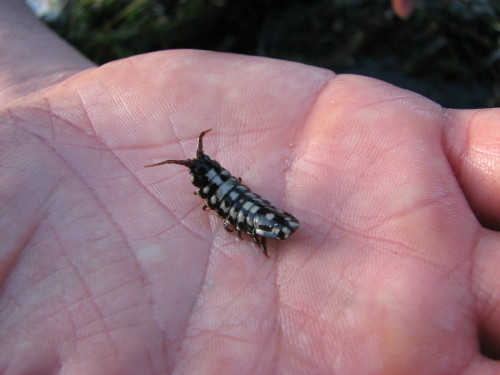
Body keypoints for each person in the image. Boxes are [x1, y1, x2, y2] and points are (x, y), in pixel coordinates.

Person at [1, 1, 499, 374]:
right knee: (245, 209)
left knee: (244, 209)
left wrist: (34, 88)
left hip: (246, 206)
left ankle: (261, 217)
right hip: (245, 206)